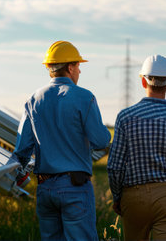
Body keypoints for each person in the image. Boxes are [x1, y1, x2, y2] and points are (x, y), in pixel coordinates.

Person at [12, 40, 111, 240]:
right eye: (78, 66)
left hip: (45, 188)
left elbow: (22, 148)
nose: (80, 72)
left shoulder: (33, 99)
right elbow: (101, 141)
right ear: (70, 67)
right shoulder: (84, 97)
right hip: (75, 187)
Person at [107, 54, 166, 240]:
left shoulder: (125, 117)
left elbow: (115, 167)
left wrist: (117, 196)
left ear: (143, 82)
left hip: (133, 196)